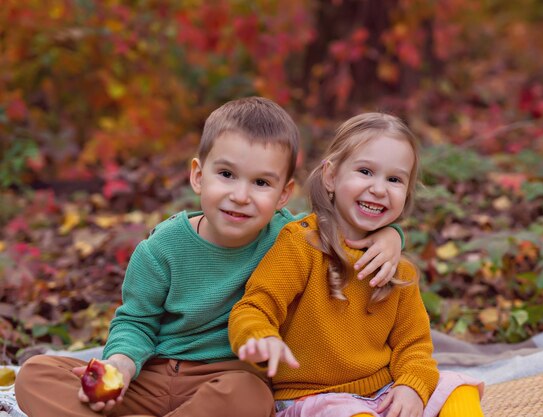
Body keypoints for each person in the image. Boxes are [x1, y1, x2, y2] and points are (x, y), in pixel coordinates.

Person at [14, 97, 405, 417]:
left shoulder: (291, 238)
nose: (240, 195)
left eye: (261, 183)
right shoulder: (161, 248)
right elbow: (136, 321)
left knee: (252, 397)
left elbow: (344, 232)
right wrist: (121, 365)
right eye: (227, 175)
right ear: (199, 176)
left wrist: (391, 235)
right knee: (35, 374)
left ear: (283, 194)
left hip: (223, 383)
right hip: (152, 375)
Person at [229, 112, 484, 417]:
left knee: (460, 389)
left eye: (394, 179)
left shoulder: (399, 270)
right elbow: (255, 307)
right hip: (313, 397)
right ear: (331, 176)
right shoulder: (300, 245)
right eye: (365, 171)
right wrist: (261, 337)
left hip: (382, 390)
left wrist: (411, 386)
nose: (379, 188)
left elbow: (414, 344)